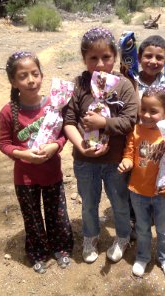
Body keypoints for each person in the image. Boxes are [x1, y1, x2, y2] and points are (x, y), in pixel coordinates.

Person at [63, 28, 138, 264]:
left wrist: (103, 123)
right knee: (88, 203)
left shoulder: (124, 85)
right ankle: (90, 236)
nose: (100, 63)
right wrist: (80, 146)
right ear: (84, 59)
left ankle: (123, 236)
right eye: (93, 58)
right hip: (85, 160)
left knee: (119, 202)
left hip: (115, 161)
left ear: (114, 57)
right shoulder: (79, 84)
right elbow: (69, 122)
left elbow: (130, 120)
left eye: (105, 57)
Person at [0, 51, 74, 273]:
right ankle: (37, 252)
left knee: (57, 213)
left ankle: (61, 247)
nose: (31, 80)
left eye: (35, 74)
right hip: (25, 177)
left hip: (51, 172)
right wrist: (24, 155)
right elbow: (4, 144)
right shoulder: (8, 112)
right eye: (23, 76)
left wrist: (55, 146)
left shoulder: (54, 104)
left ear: (42, 75)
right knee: (32, 217)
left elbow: (64, 133)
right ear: (13, 81)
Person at [118, 86, 165, 280]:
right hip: (137, 191)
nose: (146, 115)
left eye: (153, 111)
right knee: (142, 228)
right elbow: (129, 152)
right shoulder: (136, 130)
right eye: (143, 109)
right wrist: (127, 162)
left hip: (162, 193)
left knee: (164, 229)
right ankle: (143, 256)